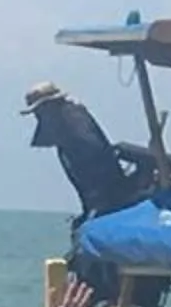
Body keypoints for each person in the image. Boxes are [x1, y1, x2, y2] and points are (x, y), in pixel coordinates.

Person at [22, 81, 162, 223]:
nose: (38, 116)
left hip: (111, 196)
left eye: (39, 111)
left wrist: (100, 204)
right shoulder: (64, 128)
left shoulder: (72, 121)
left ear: (50, 106)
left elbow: (96, 158)